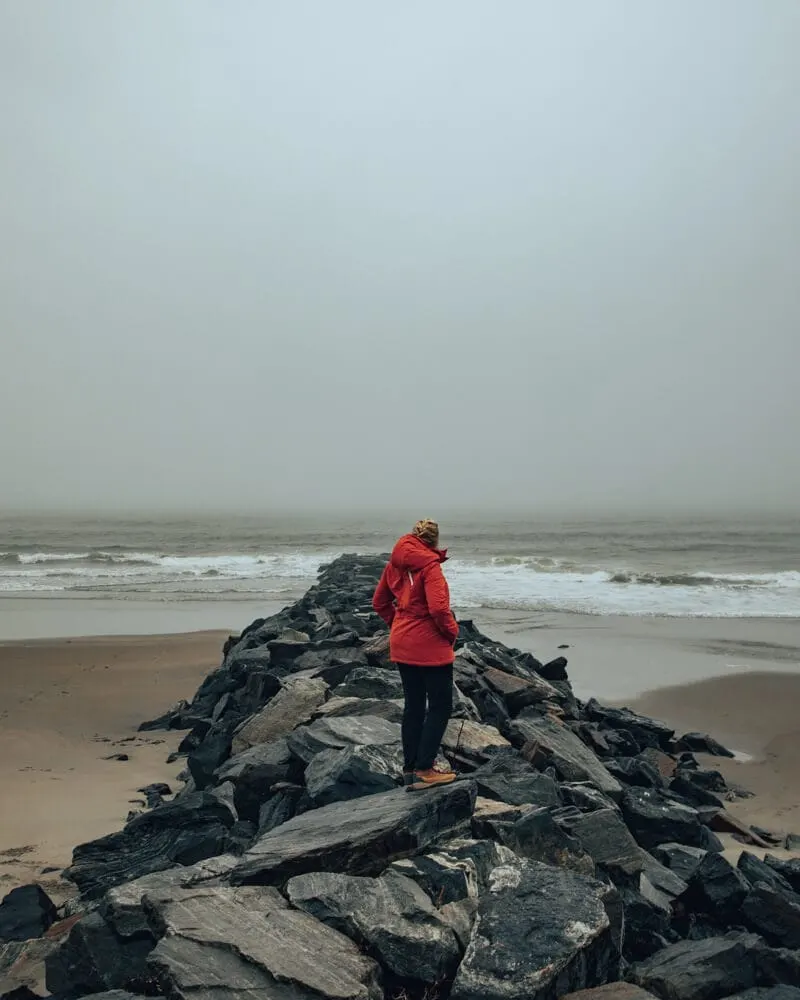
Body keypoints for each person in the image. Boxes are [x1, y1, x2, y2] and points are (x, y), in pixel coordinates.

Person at [372, 519, 459, 788]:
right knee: (441, 705)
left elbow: (379, 603)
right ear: (433, 542)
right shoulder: (430, 567)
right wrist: (452, 632)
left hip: (402, 642)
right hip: (429, 646)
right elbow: (439, 610)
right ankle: (424, 768)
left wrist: (397, 624)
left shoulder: (393, 566)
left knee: (414, 705)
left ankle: (410, 767)